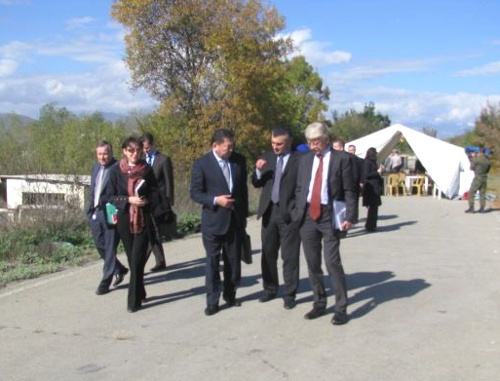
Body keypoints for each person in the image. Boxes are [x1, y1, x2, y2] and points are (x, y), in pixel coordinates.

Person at [292, 121, 356, 326]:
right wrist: (296, 211)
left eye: (316, 142)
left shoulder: (342, 159)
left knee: (332, 263)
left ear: (326, 139)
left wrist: (350, 217)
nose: (313, 146)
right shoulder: (305, 160)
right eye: (309, 142)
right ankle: (319, 302)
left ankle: (341, 308)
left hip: (330, 215)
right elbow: (300, 186)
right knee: (312, 263)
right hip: (308, 215)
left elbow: (350, 190)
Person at [190, 129, 249, 316]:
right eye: (227, 147)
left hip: (234, 220)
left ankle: (230, 294)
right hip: (213, 221)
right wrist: (216, 200)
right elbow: (195, 193)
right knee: (213, 262)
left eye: (232, 146)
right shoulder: (202, 164)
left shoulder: (239, 160)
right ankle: (212, 300)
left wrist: (244, 216)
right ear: (215, 145)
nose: (230, 150)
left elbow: (243, 191)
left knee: (232, 261)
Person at [105, 136, 165, 312]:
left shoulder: (146, 169)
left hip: (143, 219)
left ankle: (133, 301)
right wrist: (129, 200)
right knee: (132, 260)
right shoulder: (116, 171)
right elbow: (109, 197)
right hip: (124, 219)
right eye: (131, 150)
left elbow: (156, 192)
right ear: (124, 151)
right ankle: (141, 290)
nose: (135, 153)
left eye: (138, 150)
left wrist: (147, 201)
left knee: (138, 259)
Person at [251, 126, 301, 309]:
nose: (275, 147)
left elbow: (303, 187)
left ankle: (289, 294)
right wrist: (257, 171)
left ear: (289, 142)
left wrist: (297, 211)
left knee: (289, 256)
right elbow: (257, 183)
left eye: (279, 144)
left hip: (289, 214)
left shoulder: (299, 159)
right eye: (272, 142)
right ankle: (270, 288)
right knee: (268, 253)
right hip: (269, 212)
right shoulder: (268, 157)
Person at [85, 141, 128, 295]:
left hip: (111, 211)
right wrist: (89, 210)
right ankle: (119, 268)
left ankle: (106, 281)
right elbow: (94, 189)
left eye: (105, 153)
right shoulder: (95, 167)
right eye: (100, 154)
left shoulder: (118, 168)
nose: (103, 157)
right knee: (99, 244)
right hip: (96, 212)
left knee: (110, 246)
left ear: (111, 153)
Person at [140, 133, 175, 272]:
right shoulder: (141, 159)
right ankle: (160, 260)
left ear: (153, 145)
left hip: (160, 202)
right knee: (152, 231)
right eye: (143, 148)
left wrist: (169, 201)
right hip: (145, 201)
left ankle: (139, 264)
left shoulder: (163, 159)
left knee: (154, 231)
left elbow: (168, 182)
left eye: (148, 147)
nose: (146, 150)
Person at [362, 147, 384, 232]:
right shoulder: (367, 162)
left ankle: (373, 224)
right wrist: (377, 172)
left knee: (374, 207)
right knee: (372, 207)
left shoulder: (373, 162)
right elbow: (366, 174)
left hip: (375, 186)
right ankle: (369, 225)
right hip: (370, 187)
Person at [465, 147, 491, 213]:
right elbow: (488, 170)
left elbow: (471, 168)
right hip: (484, 178)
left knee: (471, 192)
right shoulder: (488, 160)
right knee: (482, 194)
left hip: (477, 177)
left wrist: (471, 159)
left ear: (479, 152)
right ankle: (482, 208)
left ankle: (471, 208)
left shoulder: (476, 159)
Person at [347, 144, 364, 224]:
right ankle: (348, 217)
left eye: (352, 150)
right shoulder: (345, 159)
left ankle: (354, 218)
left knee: (355, 201)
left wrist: (361, 181)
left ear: (355, 150)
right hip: (347, 183)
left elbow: (362, 172)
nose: (351, 152)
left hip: (356, 183)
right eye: (350, 150)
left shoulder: (359, 160)